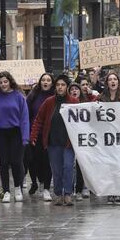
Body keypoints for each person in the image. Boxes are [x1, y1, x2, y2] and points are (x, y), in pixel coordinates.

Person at [31, 74, 79, 206]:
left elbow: (81, 119)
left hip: (69, 142)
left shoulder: (74, 102)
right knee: (56, 169)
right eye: (58, 85)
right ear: (55, 87)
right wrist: (34, 135)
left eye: (63, 85)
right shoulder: (49, 102)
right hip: (53, 141)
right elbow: (39, 119)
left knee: (68, 166)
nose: (60, 87)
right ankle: (58, 193)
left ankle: (68, 193)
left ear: (67, 87)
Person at [0, 71, 29, 203]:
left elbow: (24, 118)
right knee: (4, 163)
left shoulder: (19, 96)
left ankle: (17, 188)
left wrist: (25, 136)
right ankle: (6, 190)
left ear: (10, 81)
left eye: (5, 82)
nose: (3, 84)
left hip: (16, 132)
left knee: (16, 162)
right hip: (1, 132)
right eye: (0, 82)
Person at [98, 72, 120, 204]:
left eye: (115, 79)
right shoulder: (100, 98)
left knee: (119, 165)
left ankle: (119, 191)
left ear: (118, 82)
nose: (112, 82)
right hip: (105, 138)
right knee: (108, 166)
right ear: (107, 83)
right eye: (110, 79)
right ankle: (111, 192)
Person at [25, 73, 54, 201]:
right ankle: (37, 181)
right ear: (40, 82)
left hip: (50, 134)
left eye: (48, 80)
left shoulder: (55, 97)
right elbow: (27, 114)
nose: (46, 82)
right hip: (35, 133)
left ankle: (46, 187)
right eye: (43, 80)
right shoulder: (33, 96)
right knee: (33, 161)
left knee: (47, 161)